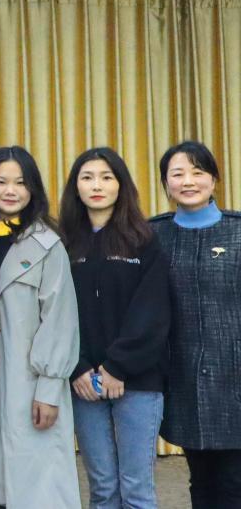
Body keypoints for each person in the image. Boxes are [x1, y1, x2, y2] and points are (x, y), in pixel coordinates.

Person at [0, 146, 80, 508]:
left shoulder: (48, 245)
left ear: (33, 188)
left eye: (20, 182)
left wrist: (49, 387)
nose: (10, 191)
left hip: (29, 382)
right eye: (0, 182)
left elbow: (60, 321)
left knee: (36, 487)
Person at [58, 146, 170, 508]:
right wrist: (77, 366)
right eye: (87, 178)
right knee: (103, 488)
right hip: (83, 381)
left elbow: (152, 311)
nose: (97, 186)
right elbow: (55, 314)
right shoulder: (62, 243)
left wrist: (117, 366)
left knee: (136, 489)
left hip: (137, 380)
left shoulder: (145, 239)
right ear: (76, 187)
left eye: (107, 177)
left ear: (121, 185)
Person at [150, 140, 241, 508]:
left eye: (198, 172)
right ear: (166, 183)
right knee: (200, 480)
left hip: (235, 377)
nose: (188, 181)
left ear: (214, 179)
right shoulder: (153, 235)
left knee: (234, 482)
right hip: (184, 376)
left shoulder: (238, 231)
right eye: (178, 174)